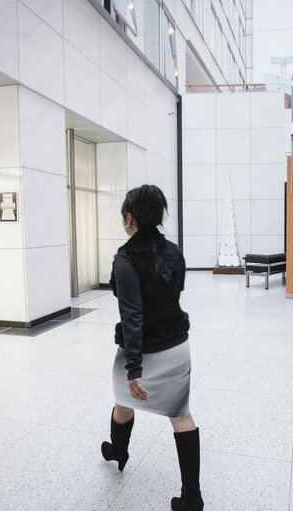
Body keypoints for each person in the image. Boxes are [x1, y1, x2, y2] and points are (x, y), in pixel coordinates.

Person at [101, 184, 203, 511]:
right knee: (181, 414)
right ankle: (192, 497)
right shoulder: (174, 252)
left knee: (122, 401)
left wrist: (134, 368)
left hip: (141, 350)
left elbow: (132, 316)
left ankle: (119, 452)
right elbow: (172, 294)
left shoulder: (125, 258)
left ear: (129, 218)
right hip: (176, 345)